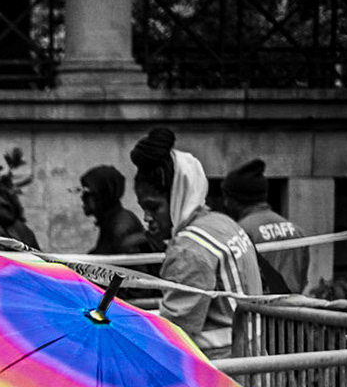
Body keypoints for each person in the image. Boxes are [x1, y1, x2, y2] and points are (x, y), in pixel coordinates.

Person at [129, 127, 263, 357]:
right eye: (143, 208)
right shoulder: (222, 223)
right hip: (253, 358)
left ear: (177, 197)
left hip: (221, 370)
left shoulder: (188, 248)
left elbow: (175, 329)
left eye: (153, 207)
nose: (147, 219)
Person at [223, 158, 308, 296]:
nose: (226, 204)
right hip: (294, 311)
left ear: (236, 199)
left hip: (258, 312)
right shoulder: (296, 231)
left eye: (227, 198)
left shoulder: (239, 233)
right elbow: (302, 279)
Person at [79, 165, 156, 257]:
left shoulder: (120, 226)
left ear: (103, 195)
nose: (82, 197)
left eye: (87, 193)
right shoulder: (110, 221)